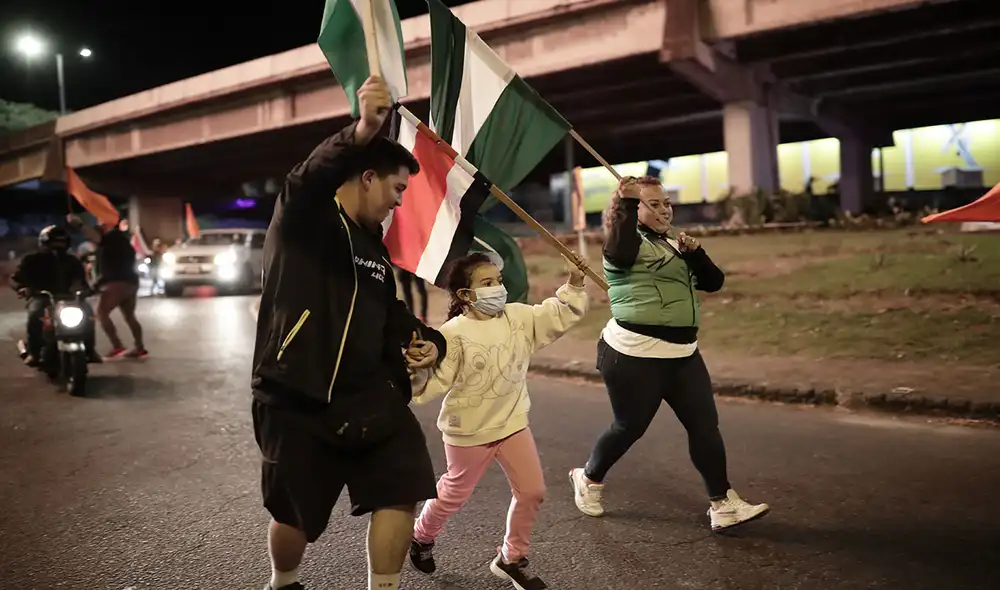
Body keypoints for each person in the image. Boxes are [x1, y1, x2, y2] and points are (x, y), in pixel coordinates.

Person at [250, 75, 447, 590]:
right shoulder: (305, 220)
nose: (400, 202)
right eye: (397, 188)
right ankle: (283, 581)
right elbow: (310, 176)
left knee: (402, 486)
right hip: (297, 400)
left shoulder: (375, 250)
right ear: (366, 176)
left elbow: (392, 314)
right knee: (296, 517)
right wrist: (362, 129)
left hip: (369, 400)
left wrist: (427, 341)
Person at [568, 176, 770, 532]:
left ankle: (722, 503)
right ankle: (588, 478)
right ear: (633, 209)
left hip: (682, 354)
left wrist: (696, 254)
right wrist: (627, 203)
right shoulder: (622, 244)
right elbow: (620, 250)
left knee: (705, 426)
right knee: (629, 428)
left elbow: (714, 282)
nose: (664, 210)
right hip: (634, 355)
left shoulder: (672, 244)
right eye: (653, 204)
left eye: (666, 203)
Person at [407, 252, 588, 590]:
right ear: (465, 295)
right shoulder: (453, 333)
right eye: (486, 283)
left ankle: (511, 558)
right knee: (452, 494)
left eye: (499, 282)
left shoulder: (518, 318)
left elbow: (556, 314)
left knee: (532, 491)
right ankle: (421, 536)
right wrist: (409, 373)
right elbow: (434, 380)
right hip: (468, 432)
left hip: (513, 424)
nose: (497, 289)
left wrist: (575, 283)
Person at [11, 225, 99, 366]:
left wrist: (85, 290)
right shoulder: (31, 260)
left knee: (88, 312)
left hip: (69, 300)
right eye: (53, 243)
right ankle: (34, 353)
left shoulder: (73, 261)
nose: (57, 247)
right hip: (42, 297)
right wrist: (23, 288)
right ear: (44, 243)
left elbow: (81, 282)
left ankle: (89, 349)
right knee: (35, 314)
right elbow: (15, 279)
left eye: (61, 243)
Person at [67, 215, 147, 359]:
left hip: (117, 282)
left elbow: (108, 268)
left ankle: (117, 345)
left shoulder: (111, 238)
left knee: (102, 313)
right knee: (130, 316)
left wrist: (78, 225)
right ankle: (139, 347)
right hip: (130, 281)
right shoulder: (122, 242)